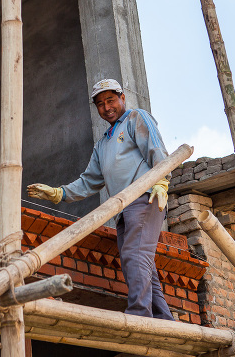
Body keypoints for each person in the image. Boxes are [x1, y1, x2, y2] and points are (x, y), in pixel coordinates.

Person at [27, 78, 174, 320]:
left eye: (111, 100)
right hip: (122, 209)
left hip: (146, 198)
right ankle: (164, 319)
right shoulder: (103, 143)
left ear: (122, 98)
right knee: (139, 262)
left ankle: (139, 314)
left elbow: (157, 151)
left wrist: (161, 181)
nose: (106, 107)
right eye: (100, 104)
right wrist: (59, 193)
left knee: (135, 257)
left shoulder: (135, 118)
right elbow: (89, 181)